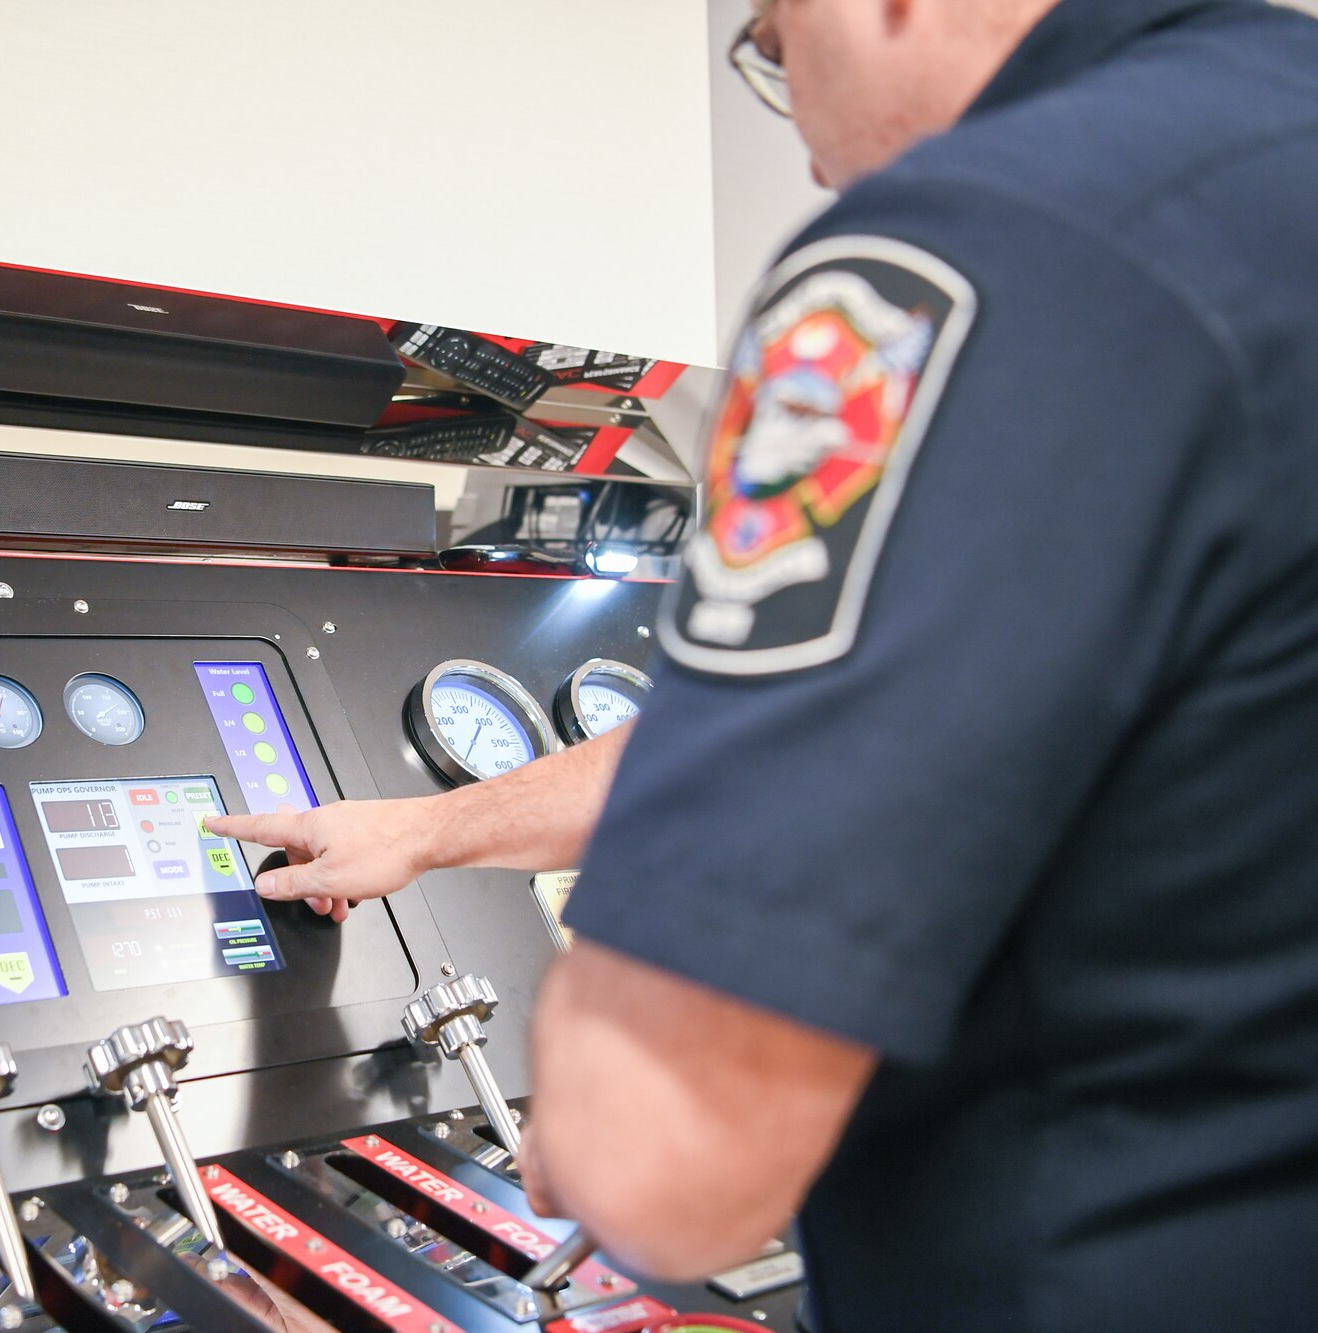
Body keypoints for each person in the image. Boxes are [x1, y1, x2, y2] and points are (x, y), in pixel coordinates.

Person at [206, 0, 1318, 1326]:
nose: (805, 154)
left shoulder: (958, 253)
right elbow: (945, 703)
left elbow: (663, 1163)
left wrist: (609, 1088)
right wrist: (439, 828)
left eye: (776, 54)